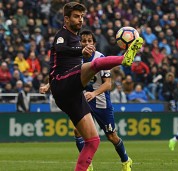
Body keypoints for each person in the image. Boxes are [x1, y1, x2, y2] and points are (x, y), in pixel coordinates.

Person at [39, 2, 143, 171]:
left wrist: (48, 85)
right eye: (75, 16)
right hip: (63, 83)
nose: (80, 20)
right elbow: (60, 49)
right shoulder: (63, 35)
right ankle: (124, 59)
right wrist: (80, 50)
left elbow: (60, 65)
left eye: (81, 16)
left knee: (93, 141)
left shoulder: (78, 44)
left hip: (74, 94)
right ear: (66, 19)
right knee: (95, 64)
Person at [74, 30, 132, 171]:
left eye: (90, 41)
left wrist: (94, 93)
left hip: (101, 102)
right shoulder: (76, 59)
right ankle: (87, 164)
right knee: (77, 131)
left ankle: (126, 160)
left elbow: (108, 84)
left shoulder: (100, 58)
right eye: (84, 41)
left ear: (94, 43)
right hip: (84, 101)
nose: (87, 43)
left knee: (112, 136)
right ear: (80, 43)